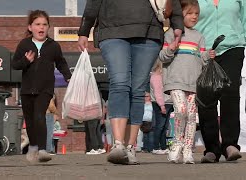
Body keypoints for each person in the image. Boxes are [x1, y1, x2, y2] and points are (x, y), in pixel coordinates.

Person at [78, 0, 184, 165]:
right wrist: (84, 30)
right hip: (112, 30)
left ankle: (130, 147)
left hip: (149, 32)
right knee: (120, 83)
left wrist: (177, 23)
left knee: (137, 89)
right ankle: (118, 144)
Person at [195, 0, 246, 163]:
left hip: (232, 48)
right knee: (206, 97)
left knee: (230, 94)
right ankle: (211, 148)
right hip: (203, 50)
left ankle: (230, 144)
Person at [159, 0, 215, 164]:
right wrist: (171, 49)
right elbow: (162, 57)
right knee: (181, 111)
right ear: (178, 14)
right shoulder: (170, 34)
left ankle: (188, 150)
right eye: (189, 13)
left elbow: (203, 59)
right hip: (175, 82)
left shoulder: (199, 36)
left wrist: (208, 56)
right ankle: (176, 143)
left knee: (191, 116)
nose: (194, 17)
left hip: (193, 83)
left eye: (196, 13)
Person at [12, 10, 71, 163]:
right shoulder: (24, 44)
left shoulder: (53, 46)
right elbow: (15, 65)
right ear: (30, 27)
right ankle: (33, 146)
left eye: (44, 24)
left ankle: (43, 149)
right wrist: (26, 61)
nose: (41, 27)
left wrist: (68, 77)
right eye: (38, 24)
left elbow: (61, 63)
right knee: (30, 121)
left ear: (48, 27)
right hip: (27, 90)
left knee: (40, 116)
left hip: (45, 89)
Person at [150, 60, 174, 155]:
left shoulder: (162, 76)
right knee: (159, 126)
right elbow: (158, 92)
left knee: (164, 126)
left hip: (167, 102)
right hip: (161, 103)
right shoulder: (156, 76)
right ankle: (156, 147)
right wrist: (162, 105)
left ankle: (163, 147)